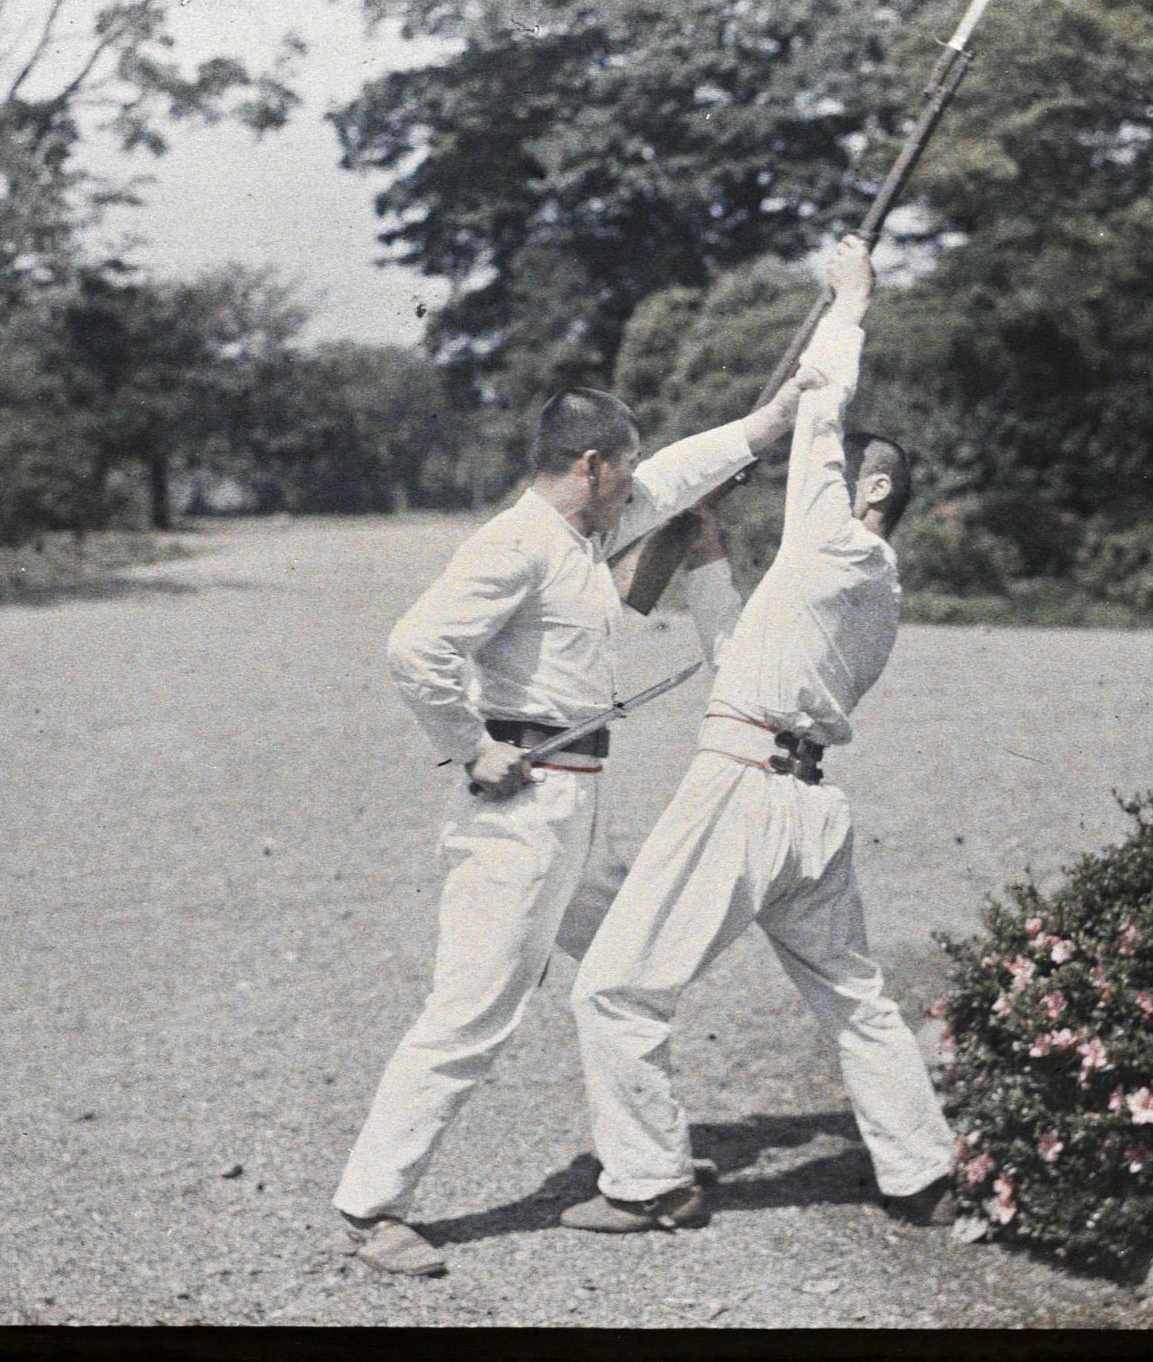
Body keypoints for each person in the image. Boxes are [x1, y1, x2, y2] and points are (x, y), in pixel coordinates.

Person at [332, 368, 817, 1276]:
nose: (636, 485)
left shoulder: (586, 534)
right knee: (471, 1012)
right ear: (591, 465)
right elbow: (415, 646)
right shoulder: (516, 543)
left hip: (576, 806)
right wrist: (469, 745)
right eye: (623, 470)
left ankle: (647, 1167)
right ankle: (371, 1205)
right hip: (520, 810)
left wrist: (766, 424)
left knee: (623, 965)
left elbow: (674, 478)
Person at [561, 235, 957, 1235]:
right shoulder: (863, 591)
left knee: (613, 988)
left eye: (850, 471)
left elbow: (820, 408)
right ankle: (921, 1171)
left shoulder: (838, 541)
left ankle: (649, 1181)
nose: (831, 474)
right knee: (853, 997)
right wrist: (702, 558)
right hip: (803, 806)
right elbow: (741, 653)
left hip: (742, 790)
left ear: (872, 495)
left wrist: (849, 301)